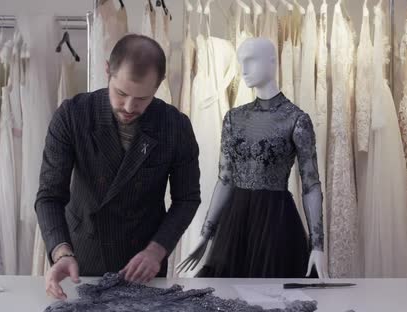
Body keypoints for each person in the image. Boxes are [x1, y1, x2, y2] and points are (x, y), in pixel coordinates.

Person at [35, 34, 201, 300]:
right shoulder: (73, 115)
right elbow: (49, 196)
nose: (128, 106)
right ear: (107, 71)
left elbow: (187, 199)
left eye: (142, 98)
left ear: (158, 86)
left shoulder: (175, 126)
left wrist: (157, 251)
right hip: (80, 258)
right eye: (121, 93)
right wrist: (61, 252)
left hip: (143, 264)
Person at [177, 38, 328, 278]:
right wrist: (206, 234)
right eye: (241, 62)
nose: (244, 69)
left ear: (271, 62)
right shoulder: (234, 118)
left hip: (276, 225)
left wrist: (318, 245)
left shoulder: (296, 119)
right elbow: (225, 179)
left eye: (251, 61)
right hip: (235, 224)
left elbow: (310, 185)